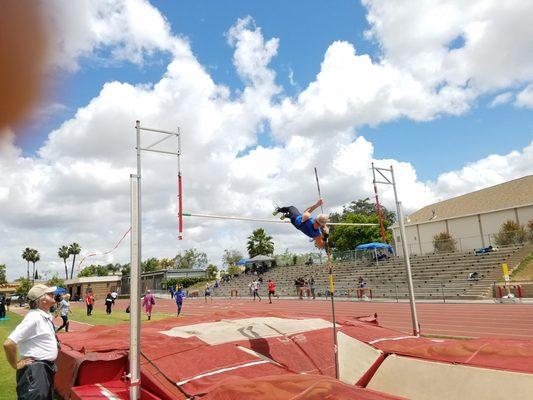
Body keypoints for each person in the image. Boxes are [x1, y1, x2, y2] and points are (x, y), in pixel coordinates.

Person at [3, 284, 59, 399]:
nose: (54, 294)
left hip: (44, 369)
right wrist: (16, 364)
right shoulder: (34, 317)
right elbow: (8, 343)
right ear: (42, 299)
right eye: (49, 293)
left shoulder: (43, 316)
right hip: (36, 371)